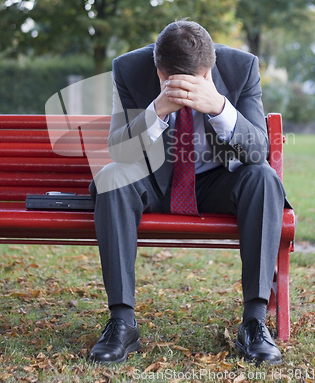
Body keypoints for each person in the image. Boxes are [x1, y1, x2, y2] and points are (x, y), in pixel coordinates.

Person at [88, 20, 289, 365]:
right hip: (153, 182)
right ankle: (122, 321)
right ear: (157, 67)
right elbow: (119, 150)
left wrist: (219, 107)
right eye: (170, 80)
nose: (181, 89)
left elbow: (259, 150)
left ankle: (254, 322)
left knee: (263, 178)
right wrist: (157, 110)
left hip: (216, 183)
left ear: (209, 68)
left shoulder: (241, 68)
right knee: (112, 177)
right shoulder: (129, 69)